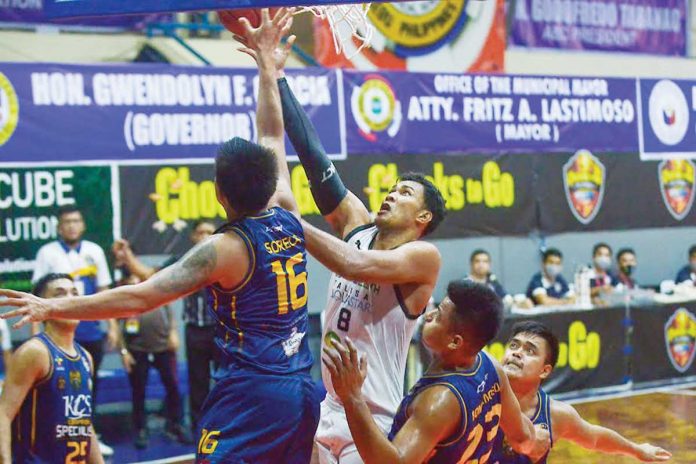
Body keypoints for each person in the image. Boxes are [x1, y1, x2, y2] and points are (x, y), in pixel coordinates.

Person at [0, 9, 320, 463]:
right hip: (301, 384)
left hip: (252, 393)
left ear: (218, 194)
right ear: (270, 183)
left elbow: (139, 298)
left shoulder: (223, 249)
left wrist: (52, 305)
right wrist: (267, 67)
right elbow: (271, 133)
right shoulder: (288, 214)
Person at [241, 15, 446, 463]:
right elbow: (314, 158)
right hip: (328, 408)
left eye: (405, 193)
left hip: (374, 416)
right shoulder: (359, 225)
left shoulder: (422, 258)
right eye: (392, 188)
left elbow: (355, 266)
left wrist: (287, 222)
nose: (392, 193)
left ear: (424, 217)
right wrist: (277, 76)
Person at [322, 280, 549, 464]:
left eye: (438, 315)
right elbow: (522, 438)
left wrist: (352, 398)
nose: (429, 316)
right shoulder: (491, 366)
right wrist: (535, 439)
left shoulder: (438, 402)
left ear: (454, 341)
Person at [492, 320, 671, 463]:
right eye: (514, 346)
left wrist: (637, 450)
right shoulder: (481, 393)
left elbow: (595, 438)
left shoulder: (556, 415)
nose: (517, 353)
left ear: (545, 370)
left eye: (530, 350)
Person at [113, 220, 218, 433]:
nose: (205, 236)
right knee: (197, 384)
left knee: (229, 380)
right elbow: (149, 275)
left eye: (210, 232)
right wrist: (128, 256)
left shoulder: (226, 258)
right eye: (201, 232)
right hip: (195, 331)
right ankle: (200, 431)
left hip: (222, 331)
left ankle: (229, 427)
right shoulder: (184, 261)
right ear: (193, 237)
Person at [31, 204, 117, 456]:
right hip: (56, 333)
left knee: (87, 388)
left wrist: (111, 325)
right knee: (55, 389)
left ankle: (90, 437)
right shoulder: (46, 253)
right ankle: (51, 437)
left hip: (90, 330)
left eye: (76, 220)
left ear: (83, 225)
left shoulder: (94, 251)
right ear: (59, 226)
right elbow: (36, 296)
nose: (71, 225)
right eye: (66, 221)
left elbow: (105, 292)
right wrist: (36, 332)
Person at [0, 274, 104, 464]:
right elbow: (3, 415)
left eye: (74, 293)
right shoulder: (35, 352)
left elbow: (83, 424)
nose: (70, 299)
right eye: (60, 293)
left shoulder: (86, 358)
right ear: (41, 306)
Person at [116, 273, 189, 449]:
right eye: (131, 280)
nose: (135, 282)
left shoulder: (156, 290)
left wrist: (172, 331)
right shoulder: (124, 298)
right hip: (137, 350)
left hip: (163, 347)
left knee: (172, 386)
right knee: (138, 391)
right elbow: (117, 325)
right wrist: (124, 352)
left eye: (138, 280)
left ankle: (176, 424)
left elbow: (169, 309)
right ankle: (141, 429)